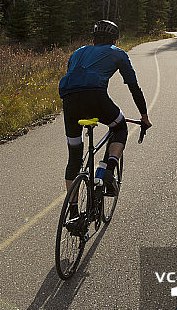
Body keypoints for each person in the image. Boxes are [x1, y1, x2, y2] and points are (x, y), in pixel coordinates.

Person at [59, 20, 152, 215]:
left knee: (74, 158)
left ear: (93, 39)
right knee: (119, 127)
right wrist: (144, 116)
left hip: (69, 102)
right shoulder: (117, 53)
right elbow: (134, 87)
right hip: (96, 97)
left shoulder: (77, 52)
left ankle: (74, 214)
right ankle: (108, 169)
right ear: (114, 40)